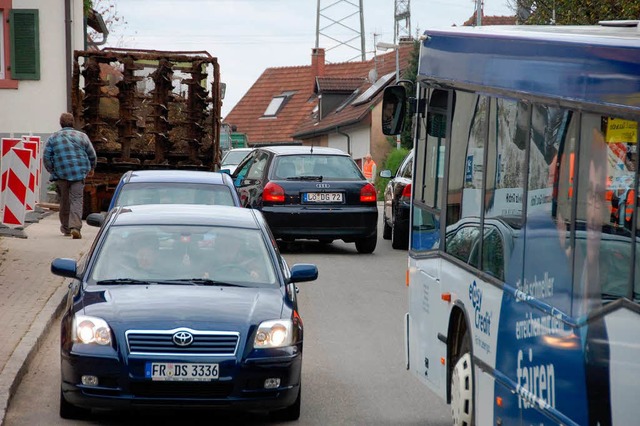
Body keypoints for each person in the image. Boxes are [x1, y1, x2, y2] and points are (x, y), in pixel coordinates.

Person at [43, 112, 96, 239]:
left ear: (60, 124)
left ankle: (66, 228)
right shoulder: (82, 136)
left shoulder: (53, 138)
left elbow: (46, 157)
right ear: (73, 123)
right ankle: (75, 227)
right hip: (78, 174)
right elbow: (92, 154)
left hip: (61, 174)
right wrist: (92, 167)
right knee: (76, 200)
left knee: (64, 201)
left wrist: (52, 170)